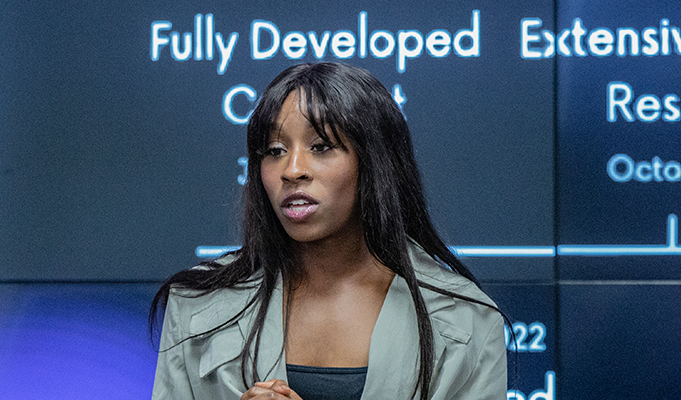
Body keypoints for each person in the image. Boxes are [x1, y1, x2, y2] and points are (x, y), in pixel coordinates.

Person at [150, 62, 507, 400]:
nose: (292, 170)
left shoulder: (465, 319)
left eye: (321, 147)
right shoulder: (196, 303)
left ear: (375, 162)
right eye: (274, 150)